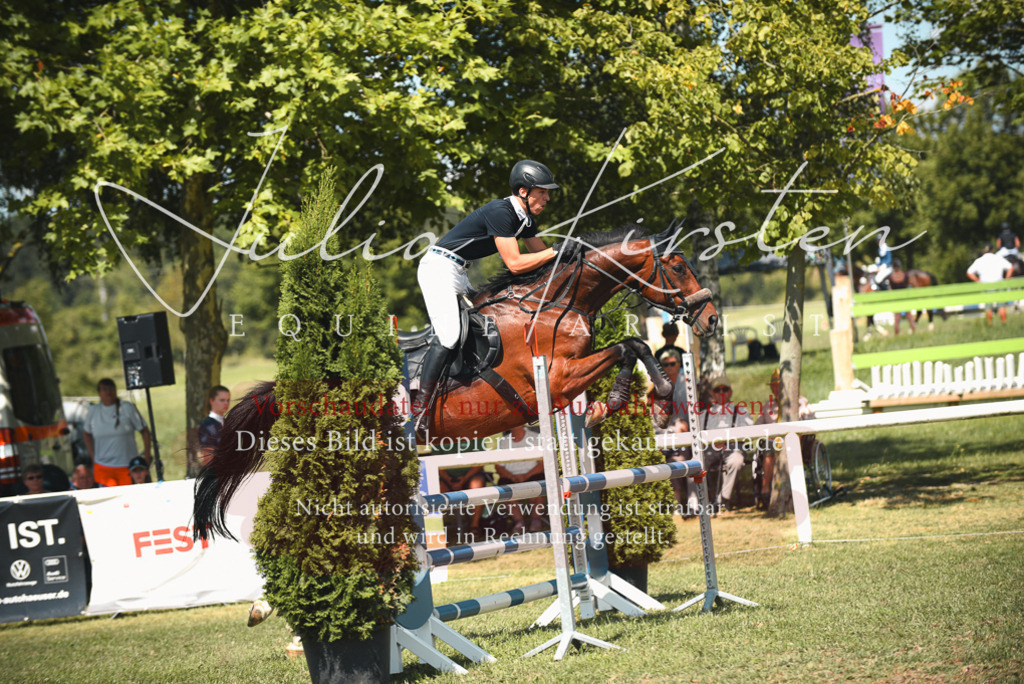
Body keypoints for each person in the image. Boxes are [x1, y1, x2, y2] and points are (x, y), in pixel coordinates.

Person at [414, 160, 575, 438]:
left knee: (482, 326)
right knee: (451, 335)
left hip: (459, 271)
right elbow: (514, 263)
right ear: (523, 191)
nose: (548, 198)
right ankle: (421, 408)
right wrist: (556, 251)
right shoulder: (501, 212)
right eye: (543, 192)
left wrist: (571, 255)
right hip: (439, 269)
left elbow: (542, 261)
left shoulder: (524, 219)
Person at [684, 374, 750, 514]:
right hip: (709, 449)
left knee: (737, 461)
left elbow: (748, 435)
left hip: (733, 448)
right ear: (712, 393)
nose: (721, 393)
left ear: (730, 392)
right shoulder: (703, 414)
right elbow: (696, 437)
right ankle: (694, 504)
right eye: (717, 390)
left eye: (724, 389)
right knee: (694, 464)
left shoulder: (741, 412)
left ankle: (722, 500)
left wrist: (730, 441)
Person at [82, 378, 151, 487]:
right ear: (99, 393)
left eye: (111, 388)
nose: (108, 392)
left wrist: (147, 456)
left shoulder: (127, 407)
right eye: (104, 389)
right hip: (103, 466)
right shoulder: (93, 410)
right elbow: (86, 433)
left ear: (115, 390)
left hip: (128, 466)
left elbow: (145, 431)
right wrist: (92, 455)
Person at [494, 424, 546, 533]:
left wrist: (525, 476)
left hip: (532, 474)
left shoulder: (536, 437)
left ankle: (536, 520)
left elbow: (542, 465)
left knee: (540, 482)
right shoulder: (503, 442)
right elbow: (498, 466)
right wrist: (512, 477)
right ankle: (519, 522)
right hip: (511, 476)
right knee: (504, 486)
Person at [966, 245, 1013, 324]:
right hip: (999, 284)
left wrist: (978, 281)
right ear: (993, 250)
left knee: (988, 307)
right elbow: (1010, 268)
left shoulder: (979, 261)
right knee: (1001, 306)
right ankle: (1004, 323)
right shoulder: (998, 258)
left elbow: (969, 272)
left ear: (983, 251)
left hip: (986, 286)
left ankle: (990, 324)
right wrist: (1006, 280)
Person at [197, 385, 230, 468]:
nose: (226, 403)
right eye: (222, 400)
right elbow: (208, 460)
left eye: (228, 400)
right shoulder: (207, 426)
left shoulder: (229, 423)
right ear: (211, 401)